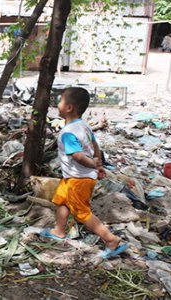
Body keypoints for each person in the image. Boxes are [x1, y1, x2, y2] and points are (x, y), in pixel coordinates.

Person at [40, 87, 129, 259]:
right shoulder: (84, 126)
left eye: (60, 101)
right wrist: (98, 162)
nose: (57, 104)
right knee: (61, 201)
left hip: (78, 179)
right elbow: (95, 145)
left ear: (69, 108)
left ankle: (110, 240)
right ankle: (59, 231)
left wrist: (93, 165)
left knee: (82, 213)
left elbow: (78, 156)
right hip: (73, 178)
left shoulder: (67, 133)